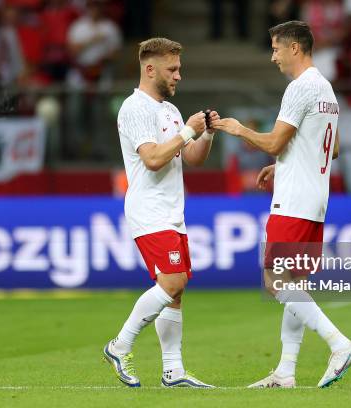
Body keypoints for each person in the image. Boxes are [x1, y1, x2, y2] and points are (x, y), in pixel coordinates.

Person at [212, 20, 351, 389]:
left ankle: (339, 344)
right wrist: (281, 164)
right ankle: (286, 371)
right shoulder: (325, 87)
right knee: (295, 279)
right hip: (315, 197)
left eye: (277, 48)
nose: (273, 55)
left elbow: (277, 141)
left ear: (295, 48)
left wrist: (238, 129)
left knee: (275, 279)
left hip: (294, 201)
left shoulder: (300, 87)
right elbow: (333, 147)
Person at [103, 37, 219, 388]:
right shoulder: (134, 108)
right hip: (148, 209)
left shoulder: (169, 111)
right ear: (150, 69)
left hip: (172, 211)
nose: (178, 76)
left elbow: (192, 158)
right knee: (172, 282)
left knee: (176, 292)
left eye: (179, 69)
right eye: (172, 69)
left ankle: (174, 371)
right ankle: (119, 345)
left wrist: (206, 134)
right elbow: (152, 159)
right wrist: (188, 132)